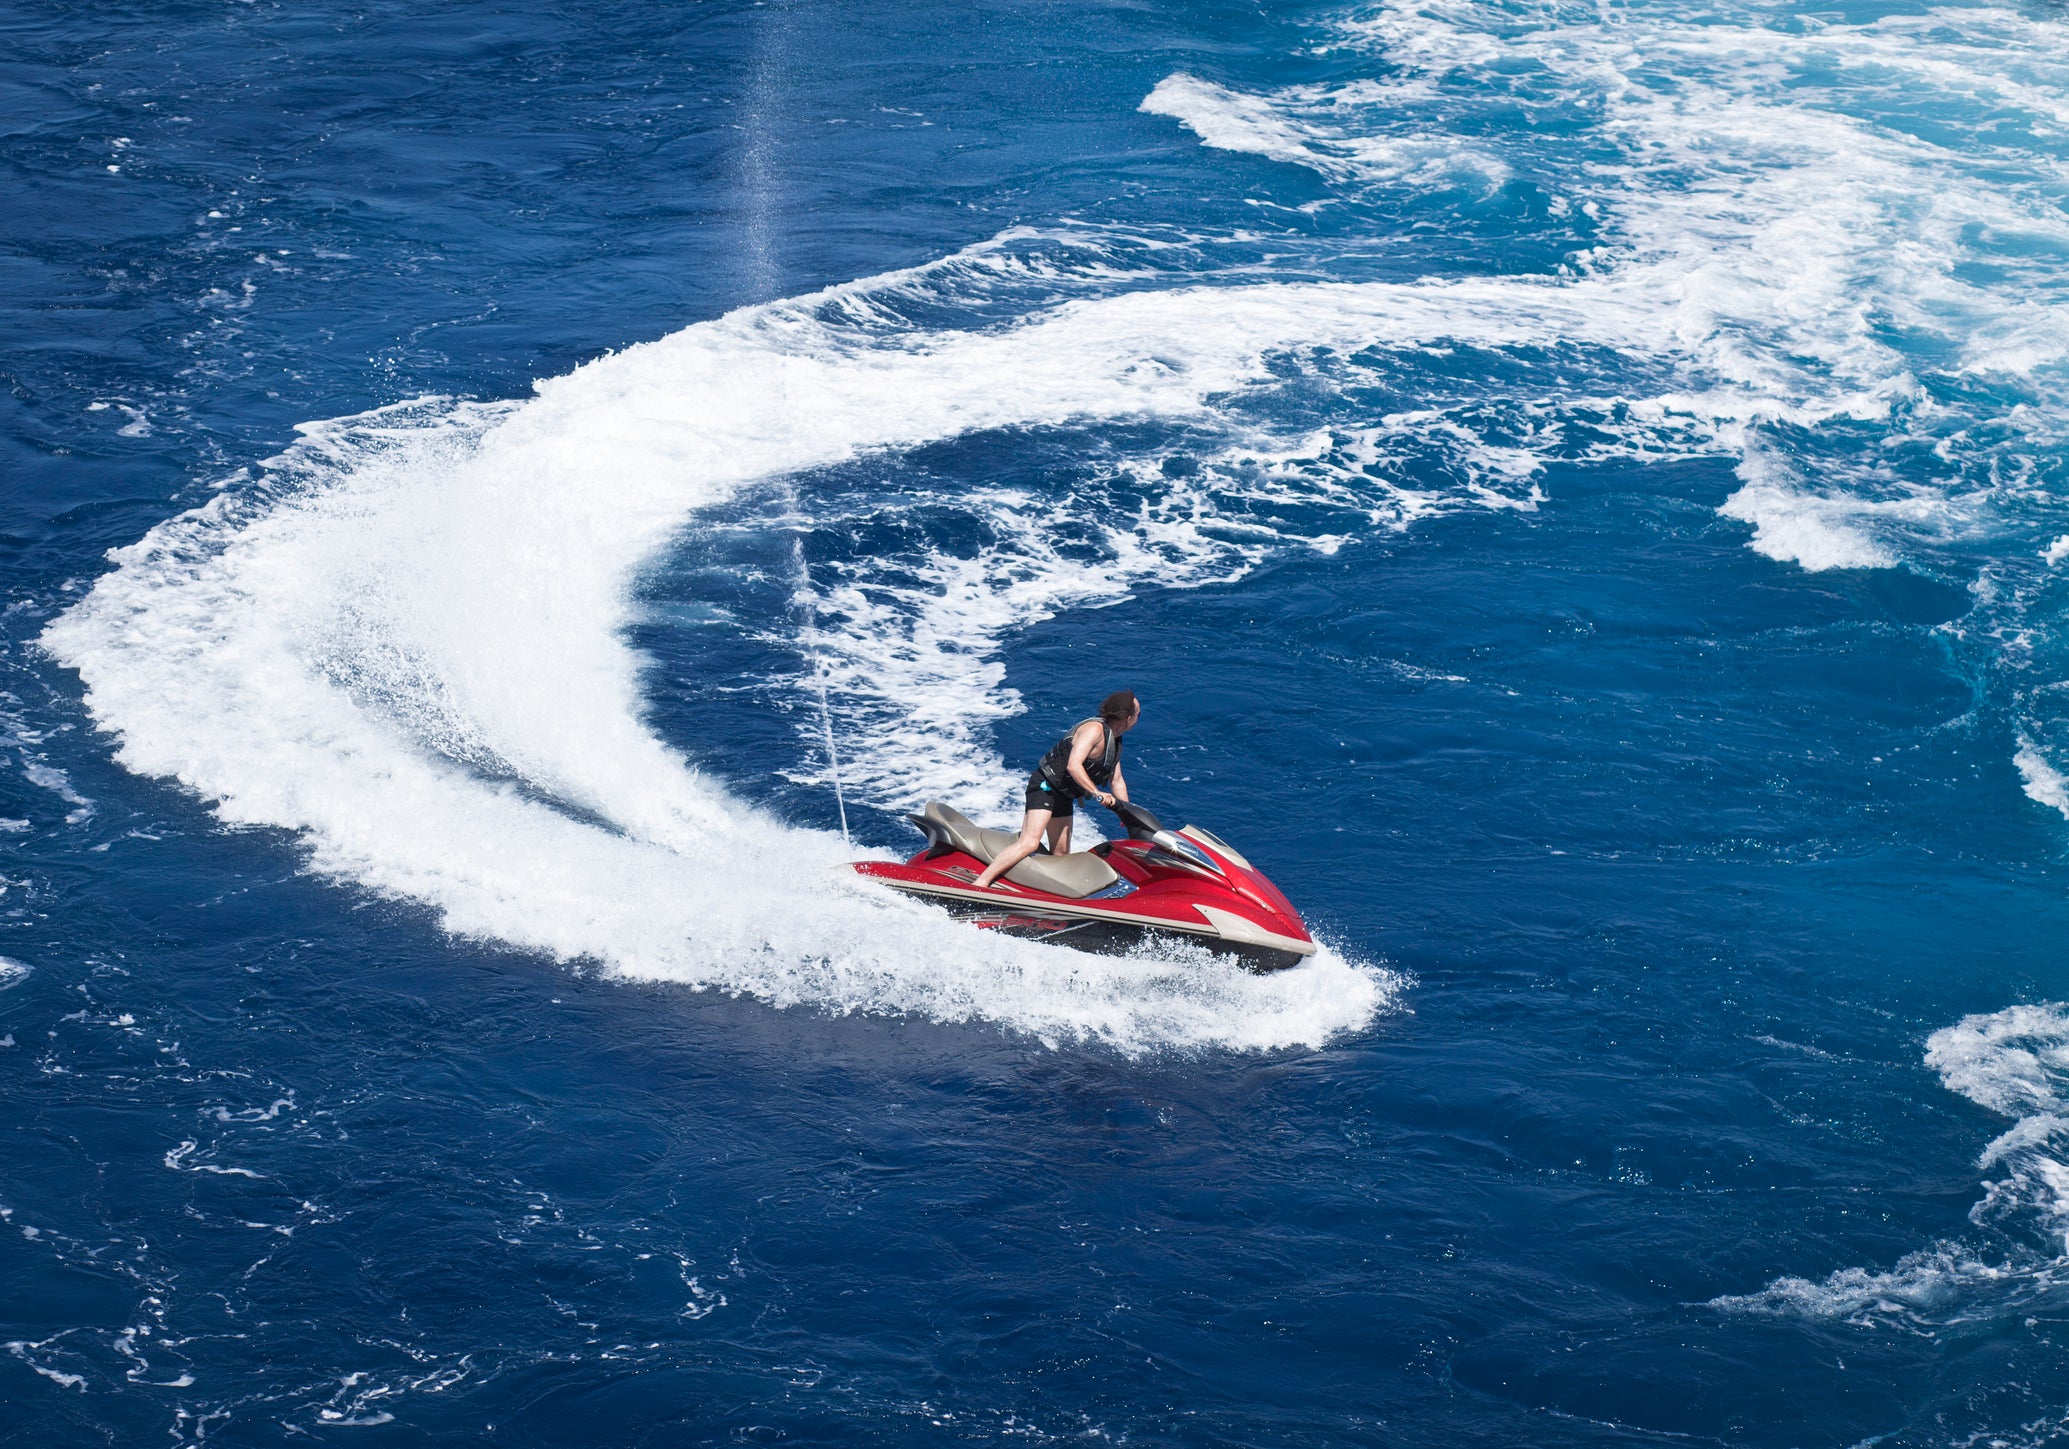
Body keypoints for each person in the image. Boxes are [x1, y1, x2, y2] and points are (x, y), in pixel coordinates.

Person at [973, 690, 1140, 891]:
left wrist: (1126, 813)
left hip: (1064, 795)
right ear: (1128, 718)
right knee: (1030, 843)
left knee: (1060, 855)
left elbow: (1117, 781)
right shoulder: (1094, 730)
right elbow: (1073, 766)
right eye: (1138, 714)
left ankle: (1043, 893)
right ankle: (980, 883)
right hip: (1045, 787)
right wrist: (1097, 793)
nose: (1138, 719)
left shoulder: (1115, 740)